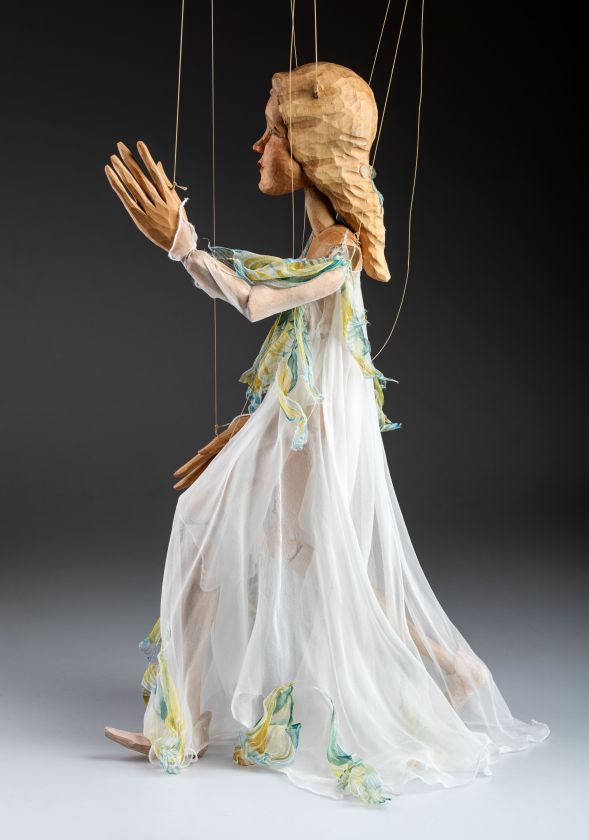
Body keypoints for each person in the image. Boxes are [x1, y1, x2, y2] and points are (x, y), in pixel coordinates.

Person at [103, 62, 549, 806]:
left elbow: (256, 301)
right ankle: (452, 669)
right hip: (303, 416)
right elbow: (295, 345)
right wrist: (245, 428)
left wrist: (182, 244)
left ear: (309, 149)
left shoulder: (337, 247)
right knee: (309, 552)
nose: (257, 147)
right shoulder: (326, 242)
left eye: (271, 133)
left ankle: (183, 723)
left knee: (214, 526)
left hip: (313, 424)